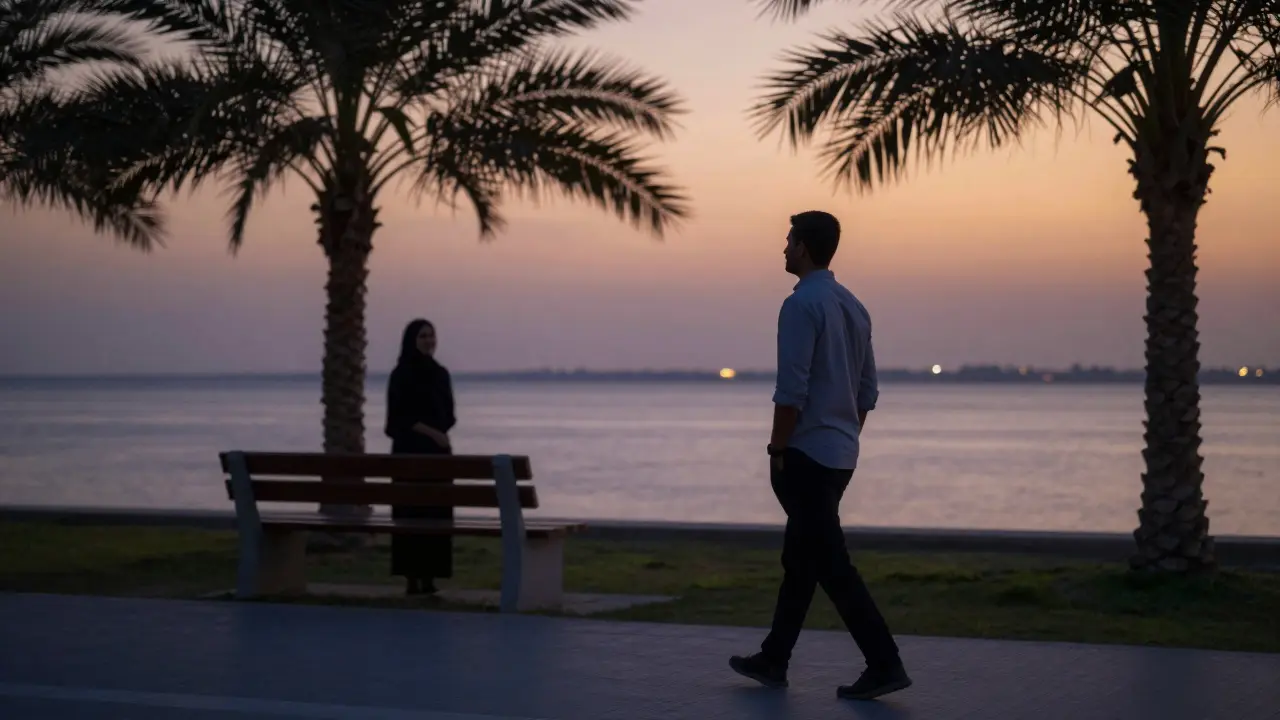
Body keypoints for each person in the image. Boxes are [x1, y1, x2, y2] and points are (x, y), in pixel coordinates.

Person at [729, 211, 911, 701]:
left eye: (788, 241)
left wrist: (778, 448)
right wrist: (845, 435)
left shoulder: (800, 306)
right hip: (840, 455)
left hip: (806, 454)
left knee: (830, 563)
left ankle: (884, 662)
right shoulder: (854, 306)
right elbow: (868, 391)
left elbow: (791, 389)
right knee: (802, 557)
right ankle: (774, 659)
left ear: (805, 247)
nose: (783, 250)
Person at [385, 318, 456, 595]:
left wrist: (439, 432)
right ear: (411, 340)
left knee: (436, 515)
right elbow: (397, 420)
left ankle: (430, 577)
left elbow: (450, 414)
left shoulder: (440, 374)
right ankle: (412, 577)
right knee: (410, 514)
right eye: (423, 336)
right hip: (409, 454)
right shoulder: (401, 374)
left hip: (438, 457)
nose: (428, 341)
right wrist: (431, 432)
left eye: (431, 335)